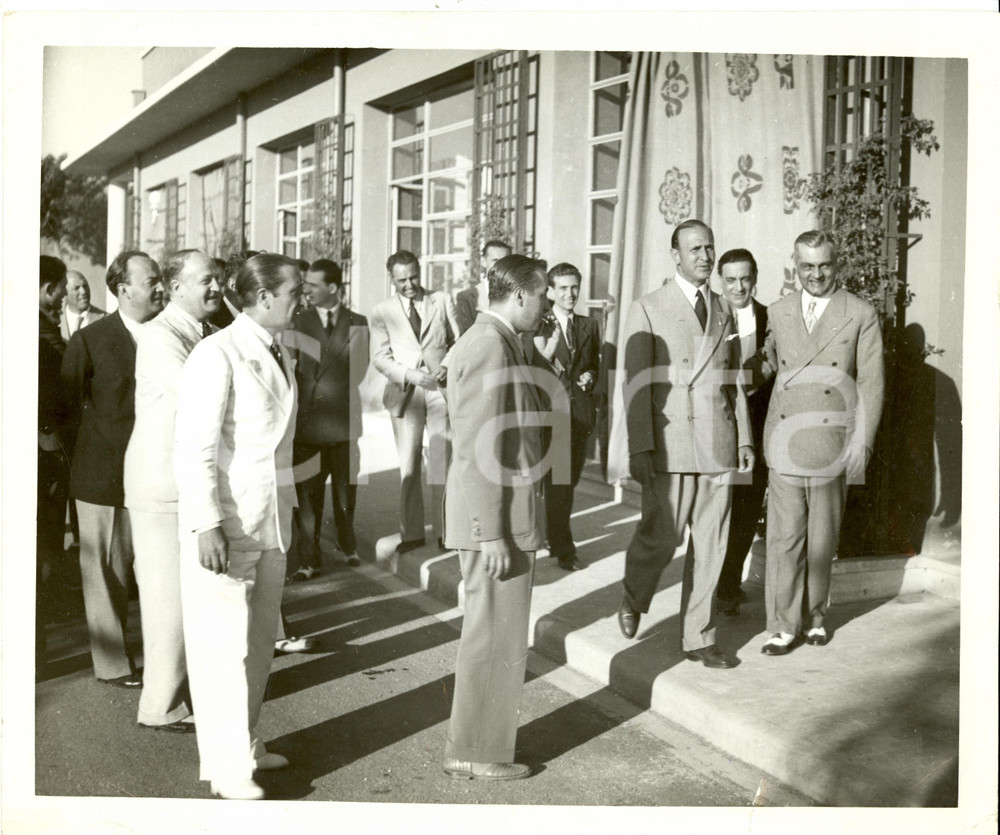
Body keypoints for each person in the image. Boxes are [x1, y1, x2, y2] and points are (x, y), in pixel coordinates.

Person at [174, 253, 303, 800]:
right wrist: (206, 524)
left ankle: (246, 744)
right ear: (264, 296)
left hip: (270, 520)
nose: (302, 300)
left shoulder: (280, 350)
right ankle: (227, 768)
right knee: (222, 648)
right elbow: (194, 447)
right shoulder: (216, 352)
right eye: (295, 291)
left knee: (256, 644)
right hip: (227, 522)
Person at [618, 220, 754, 669]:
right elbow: (636, 385)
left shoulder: (724, 309)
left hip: (717, 441)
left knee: (712, 546)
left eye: (709, 248)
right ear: (675, 255)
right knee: (662, 537)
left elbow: (733, 379)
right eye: (694, 249)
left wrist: (744, 438)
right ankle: (635, 593)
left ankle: (700, 638)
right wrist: (640, 446)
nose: (704, 256)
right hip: (670, 442)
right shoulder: (648, 307)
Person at [442, 254, 548, 781]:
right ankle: (476, 752)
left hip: (503, 519)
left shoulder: (501, 341)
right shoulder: (490, 345)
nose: (546, 305)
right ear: (521, 295)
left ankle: (477, 744)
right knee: (493, 639)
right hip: (497, 524)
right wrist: (492, 534)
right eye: (543, 294)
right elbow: (478, 449)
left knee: (497, 636)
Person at [755, 230, 885, 655]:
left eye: (824, 265)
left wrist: (862, 443)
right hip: (785, 439)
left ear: (836, 264)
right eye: (807, 266)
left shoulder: (859, 313)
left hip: (832, 442)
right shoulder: (778, 311)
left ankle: (814, 618)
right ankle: (781, 625)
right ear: (795, 265)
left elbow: (870, 383)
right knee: (784, 539)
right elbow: (768, 363)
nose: (816, 274)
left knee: (822, 538)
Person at [122, 249, 223, 733]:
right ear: (176, 287)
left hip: (181, 482)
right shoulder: (161, 337)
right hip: (160, 484)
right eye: (206, 280)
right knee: (167, 602)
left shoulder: (203, 331)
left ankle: (179, 696)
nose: (216, 287)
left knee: (187, 598)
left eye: (217, 278)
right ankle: (159, 706)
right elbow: (201, 401)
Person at [61, 250, 165, 688]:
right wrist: (93, 459)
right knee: (106, 572)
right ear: (124, 290)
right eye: (151, 281)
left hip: (160, 474)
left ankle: (166, 662)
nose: (161, 287)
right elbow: (67, 411)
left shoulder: (171, 333)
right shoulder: (91, 339)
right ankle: (114, 664)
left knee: (158, 573)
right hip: (104, 476)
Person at [370, 249, 459, 552]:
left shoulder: (441, 300)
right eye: (401, 280)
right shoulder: (382, 311)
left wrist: (446, 364)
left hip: (438, 391)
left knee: (441, 463)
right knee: (409, 466)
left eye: (413, 277)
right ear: (392, 279)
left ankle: (446, 533)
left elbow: (458, 341)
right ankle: (411, 534)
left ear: (420, 272)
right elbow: (380, 358)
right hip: (406, 393)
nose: (409, 285)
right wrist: (409, 374)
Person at [288, 258, 369, 580]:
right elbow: (292, 370)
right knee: (307, 496)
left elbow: (358, 371)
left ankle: (347, 544)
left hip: (343, 423)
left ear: (333, 287)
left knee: (345, 493)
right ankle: (309, 559)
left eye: (313, 285)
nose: (306, 290)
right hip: (308, 426)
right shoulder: (297, 321)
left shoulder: (357, 322)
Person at [714, 249, 774, 615]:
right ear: (720, 281)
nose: (738, 287)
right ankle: (708, 584)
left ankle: (728, 585)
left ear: (755, 278)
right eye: (731, 279)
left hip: (759, 427)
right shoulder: (708, 316)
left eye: (745, 278)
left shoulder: (771, 318)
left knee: (747, 510)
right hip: (717, 425)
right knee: (713, 511)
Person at [532, 262, 600, 571]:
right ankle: (563, 548)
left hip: (580, 416)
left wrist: (589, 376)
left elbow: (593, 365)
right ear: (550, 291)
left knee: (568, 482)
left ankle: (551, 534)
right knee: (558, 483)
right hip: (552, 414)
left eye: (574, 287)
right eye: (563, 288)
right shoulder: (540, 325)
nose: (570, 294)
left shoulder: (589, 325)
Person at [38, 256, 70, 667]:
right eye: (61, 290)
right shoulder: (41, 334)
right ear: (49, 289)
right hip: (43, 456)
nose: (63, 298)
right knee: (42, 551)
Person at [455, 240, 512, 335]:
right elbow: (467, 335)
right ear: (483, 261)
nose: (500, 266)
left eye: (505, 262)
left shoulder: (517, 295)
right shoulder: (466, 298)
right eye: (495, 260)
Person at [59, 270, 105, 341]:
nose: (83, 291)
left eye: (85, 286)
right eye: (76, 288)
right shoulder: (54, 319)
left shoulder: (106, 319)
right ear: (65, 292)